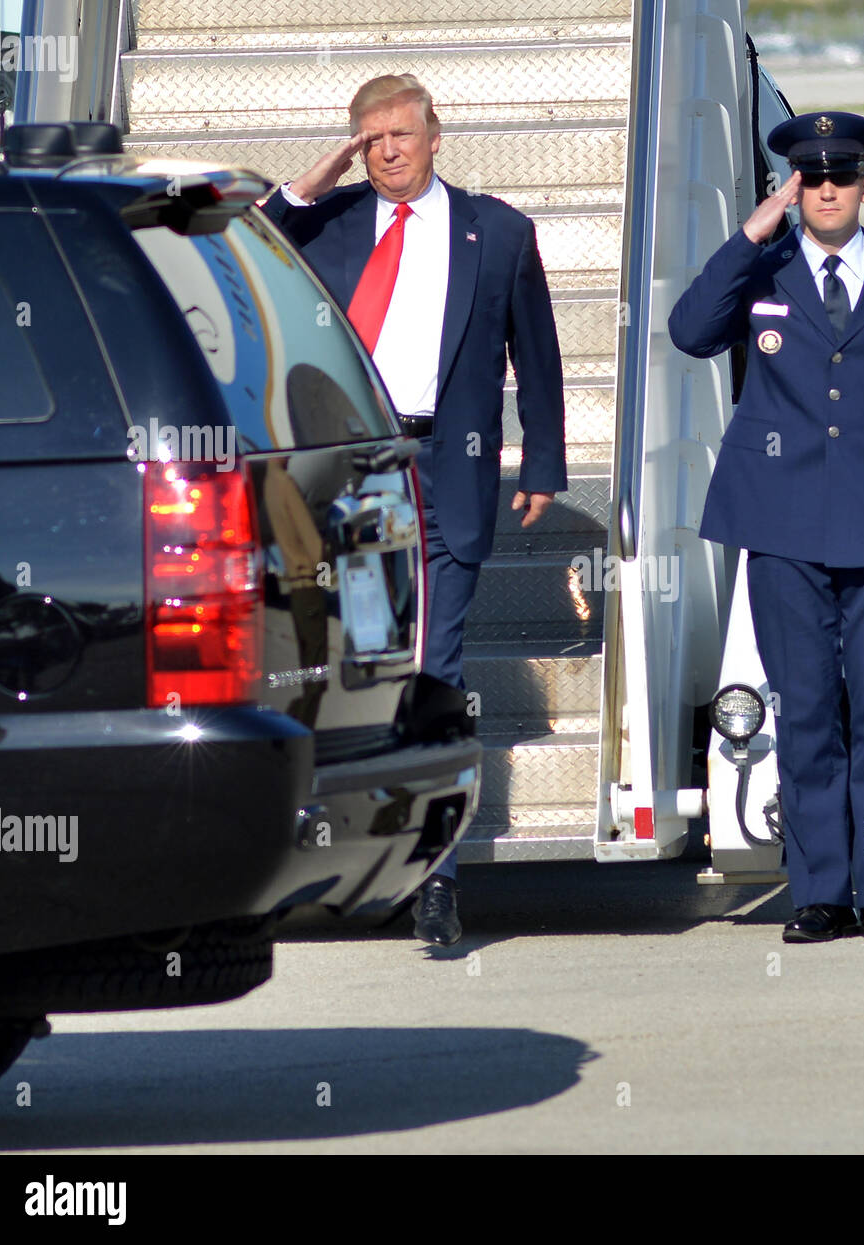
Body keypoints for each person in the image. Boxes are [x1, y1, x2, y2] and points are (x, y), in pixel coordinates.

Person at [263, 73, 567, 946]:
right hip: (354, 470)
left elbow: (536, 356)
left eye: (401, 134)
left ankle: (437, 878)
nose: (388, 151)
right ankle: (353, 863)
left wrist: (541, 457)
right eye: (371, 139)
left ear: (437, 134)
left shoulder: (498, 231)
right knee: (364, 667)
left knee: (437, 672)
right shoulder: (327, 223)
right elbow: (236, 259)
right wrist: (305, 189)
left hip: (449, 467)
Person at [669, 112, 864, 944]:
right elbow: (689, 332)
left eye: (841, 176)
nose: (826, 190)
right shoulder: (765, 269)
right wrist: (752, 233)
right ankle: (821, 890)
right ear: (793, 190)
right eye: (810, 178)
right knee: (805, 716)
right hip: (784, 524)